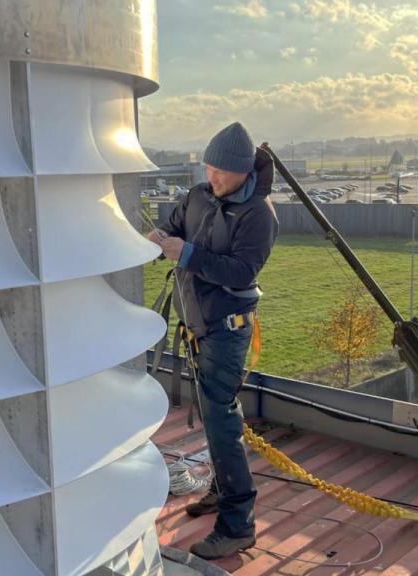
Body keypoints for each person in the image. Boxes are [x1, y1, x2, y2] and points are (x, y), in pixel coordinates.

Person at [147, 122, 278, 559]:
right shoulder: (200, 197)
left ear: (244, 172)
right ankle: (223, 492)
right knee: (214, 417)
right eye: (208, 167)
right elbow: (174, 224)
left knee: (222, 424)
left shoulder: (259, 215)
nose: (212, 176)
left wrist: (185, 254)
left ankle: (238, 524)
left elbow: (242, 273)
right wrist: (159, 238)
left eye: (221, 170)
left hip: (227, 329)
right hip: (200, 328)